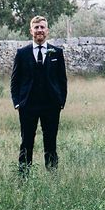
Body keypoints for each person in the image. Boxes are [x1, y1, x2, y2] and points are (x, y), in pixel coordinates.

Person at [10, 15, 67, 171]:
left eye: (42, 27)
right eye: (36, 27)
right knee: (26, 142)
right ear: (31, 31)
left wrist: (61, 101)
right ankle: (23, 176)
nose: (39, 30)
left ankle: (52, 177)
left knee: (50, 143)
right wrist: (17, 103)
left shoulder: (57, 52)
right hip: (28, 105)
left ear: (47, 30)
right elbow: (15, 81)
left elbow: (62, 80)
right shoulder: (22, 53)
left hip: (51, 106)